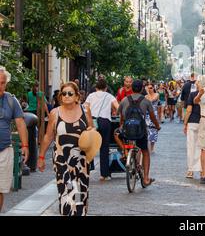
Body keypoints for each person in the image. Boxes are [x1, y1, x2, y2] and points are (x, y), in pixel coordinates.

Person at [38, 82, 94, 216]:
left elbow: (91, 130)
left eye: (70, 93)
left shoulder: (85, 110)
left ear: (76, 97)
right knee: (65, 191)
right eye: (64, 93)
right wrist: (41, 157)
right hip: (61, 160)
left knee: (80, 192)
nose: (66, 96)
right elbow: (48, 136)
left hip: (81, 159)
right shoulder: (54, 113)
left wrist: (92, 132)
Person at [115, 80, 160, 185]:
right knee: (145, 152)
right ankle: (146, 179)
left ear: (131, 88)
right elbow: (153, 117)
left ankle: (125, 152)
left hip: (127, 131)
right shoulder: (146, 101)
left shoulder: (125, 100)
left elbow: (120, 116)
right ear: (141, 89)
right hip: (140, 131)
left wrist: (122, 126)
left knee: (116, 134)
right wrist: (157, 126)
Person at [0, 68, 29, 212]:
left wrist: (25, 145)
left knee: (0, 189)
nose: (0, 86)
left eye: (2, 83)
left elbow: (21, 124)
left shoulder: (11, 100)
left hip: (4, 150)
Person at [84, 79, 119, 181]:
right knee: (104, 148)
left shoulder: (91, 96)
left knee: (90, 146)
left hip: (92, 122)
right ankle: (104, 174)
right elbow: (118, 107)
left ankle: (87, 169)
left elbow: (86, 108)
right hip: (105, 122)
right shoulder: (109, 96)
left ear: (96, 87)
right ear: (106, 88)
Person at [183, 80, 202, 179]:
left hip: (193, 122)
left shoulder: (192, 94)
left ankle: (190, 170)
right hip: (204, 122)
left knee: (191, 147)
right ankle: (202, 169)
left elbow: (189, 110)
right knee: (202, 147)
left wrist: (185, 123)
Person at [145, 83, 160, 154]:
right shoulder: (145, 96)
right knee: (147, 130)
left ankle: (152, 148)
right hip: (147, 114)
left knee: (154, 130)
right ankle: (147, 147)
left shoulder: (156, 94)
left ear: (153, 88)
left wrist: (148, 92)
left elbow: (151, 101)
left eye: (151, 88)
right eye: (148, 88)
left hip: (154, 113)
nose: (149, 89)